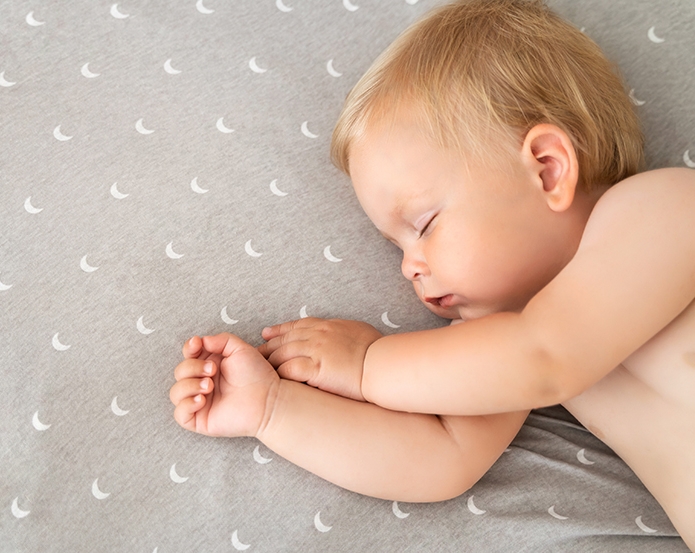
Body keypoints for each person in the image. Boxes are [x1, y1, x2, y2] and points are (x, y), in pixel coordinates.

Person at [169, 0, 695, 546]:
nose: (408, 266)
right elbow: (443, 459)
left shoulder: (663, 208)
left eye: (423, 224)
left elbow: (547, 356)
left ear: (547, 169)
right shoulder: (499, 337)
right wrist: (274, 411)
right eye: (395, 244)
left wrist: (369, 364)